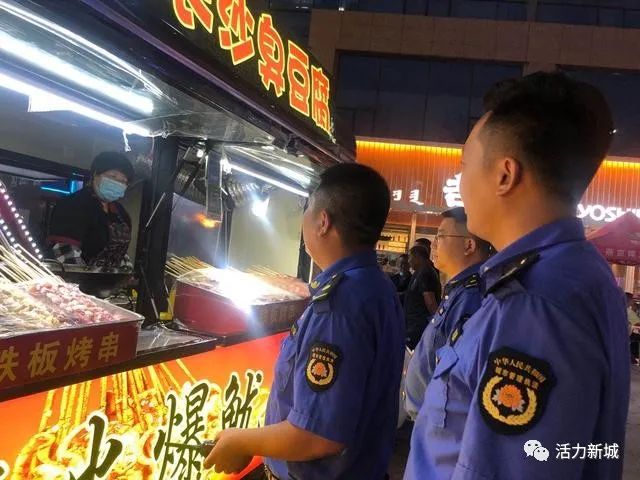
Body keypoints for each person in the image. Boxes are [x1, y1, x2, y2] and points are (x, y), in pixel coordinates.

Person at [405, 72, 629, 480]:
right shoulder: (577, 274)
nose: (461, 182)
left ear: (505, 175)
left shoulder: (532, 304)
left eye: (464, 165)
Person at [204, 163, 405, 479]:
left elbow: (317, 436)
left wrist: (240, 440)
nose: (303, 219)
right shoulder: (376, 286)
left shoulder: (340, 304)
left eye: (307, 207)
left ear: (323, 222)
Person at [404, 207, 492, 420]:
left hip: (439, 423)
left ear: (469, 245)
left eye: (441, 236)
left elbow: (457, 378)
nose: (433, 244)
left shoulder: (471, 297)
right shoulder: (458, 291)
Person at [47, 152, 134, 268]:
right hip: (75, 275)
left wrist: (126, 271)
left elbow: (120, 252)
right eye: (113, 176)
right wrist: (85, 277)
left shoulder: (121, 213)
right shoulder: (72, 204)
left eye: (123, 181)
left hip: (111, 277)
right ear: (95, 174)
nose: (118, 183)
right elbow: (65, 251)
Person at [404, 245, 441, 349]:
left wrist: (436, 323)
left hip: (419, 326)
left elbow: (430, 301)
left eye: (410, 257)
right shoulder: (420, 271)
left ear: (417, 256)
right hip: (414, 324)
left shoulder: (425, 272)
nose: (409, 261)